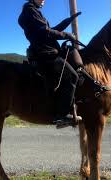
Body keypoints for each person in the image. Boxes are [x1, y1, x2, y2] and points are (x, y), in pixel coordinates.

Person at [18, 0, 84, 128]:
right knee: (72, 76)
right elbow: (46, 32)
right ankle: (62, 115)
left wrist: (68, 21)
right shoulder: (30, 11)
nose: (44, 0)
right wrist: (68, 35)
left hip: (45, 51)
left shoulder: (33, 11)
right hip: (45, 54)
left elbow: (51, 30)